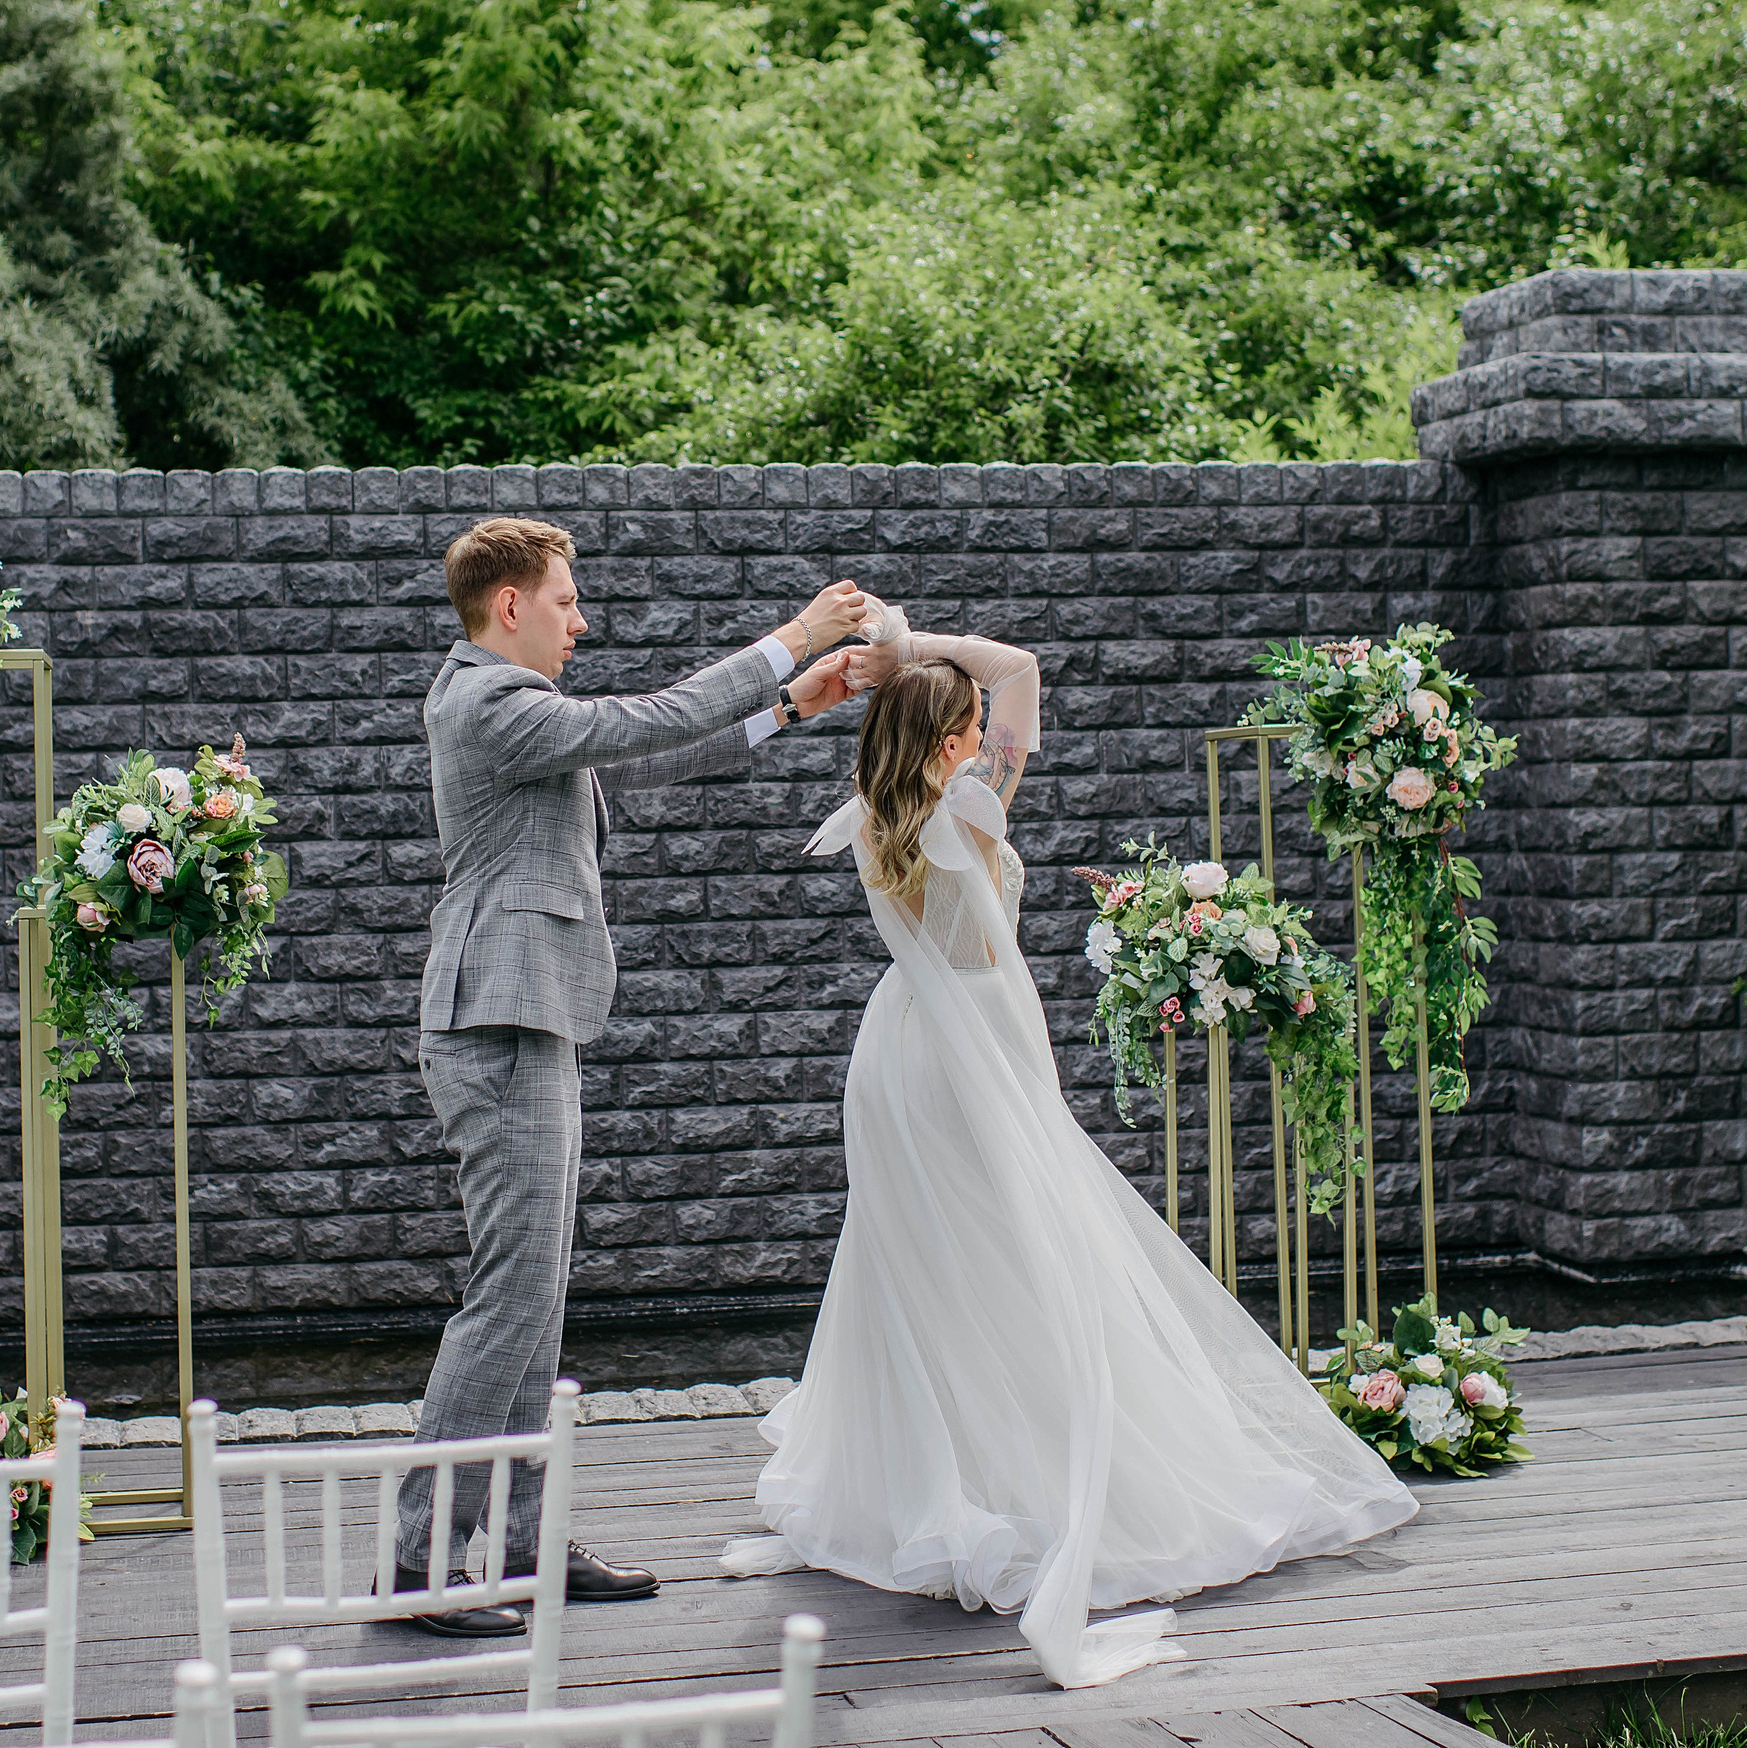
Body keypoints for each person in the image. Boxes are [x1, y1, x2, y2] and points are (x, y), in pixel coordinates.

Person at [721, 628, 1418, 1686]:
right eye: (967, 728)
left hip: (901, 1057)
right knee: (1026, 1264)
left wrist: (904, 667)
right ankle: (1028, 1475)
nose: (984, 735)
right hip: (971, 1061)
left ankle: (935, 1479)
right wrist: (915, 641)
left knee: (921, 1272)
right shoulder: (969, 803)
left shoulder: (872, 815)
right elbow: (1021, 670)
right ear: (951, 737)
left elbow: (991, 705)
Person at [400, 516, 870, 1636]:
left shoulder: (525, 714)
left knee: (536, 1291)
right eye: (565, 600)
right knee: (508, 1294)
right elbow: (642, 716)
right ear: (507, 604)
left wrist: (794, 703)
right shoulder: (483, 699)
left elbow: (646, 756)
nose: (581, 619)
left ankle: (518, 1544)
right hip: (498, 1016)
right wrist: (789, 638)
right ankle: (419, 1561)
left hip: (528, 1012)